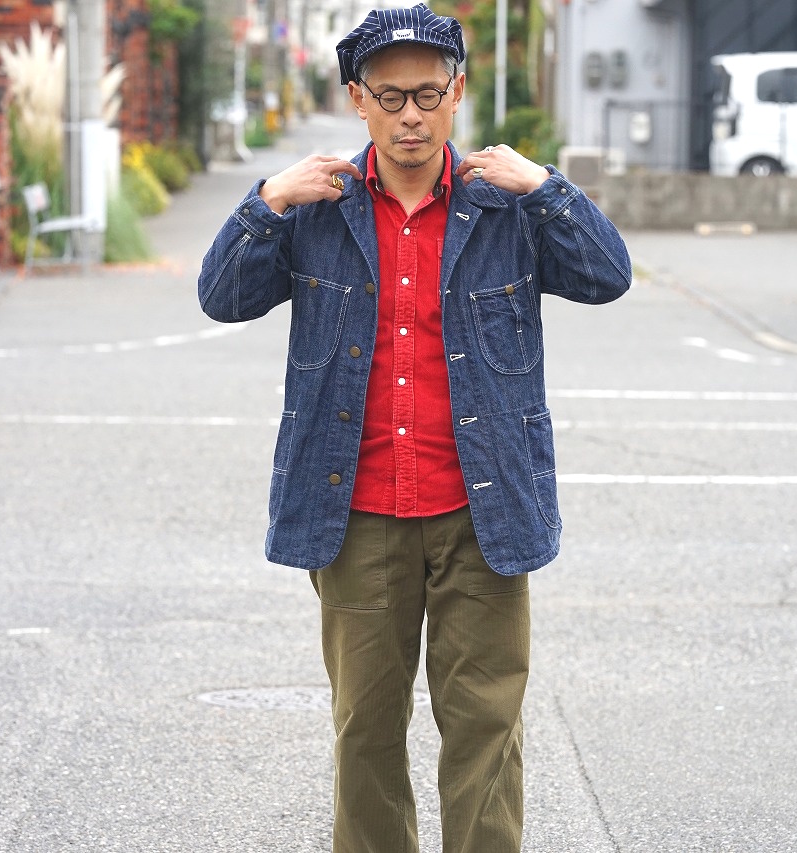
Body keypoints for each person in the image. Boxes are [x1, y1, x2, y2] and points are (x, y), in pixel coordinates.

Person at [197, 5, 631, 851]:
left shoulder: (503, 204)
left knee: (485, 728)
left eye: (428, 94)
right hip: (355, 512)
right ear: (357, 99)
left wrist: (548, 188)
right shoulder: (318, 208)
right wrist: (267, 200)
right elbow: (221, 296)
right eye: (390, 96)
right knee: (365, 730)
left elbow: (608, 274)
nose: (410, 116)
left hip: (482, 510)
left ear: (457, 93)